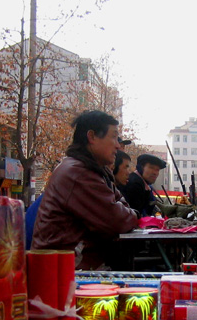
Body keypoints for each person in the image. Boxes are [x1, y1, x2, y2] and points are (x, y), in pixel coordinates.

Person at [30, 110, 139, 270]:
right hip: (64, 272)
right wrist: (134, 215)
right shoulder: (77, 173)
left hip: (81, 266)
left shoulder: (98, 170)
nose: (118, 145)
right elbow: (117, 220)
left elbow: (121, 205)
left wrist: (126, 212)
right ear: (92, 136)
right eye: (113, 136)